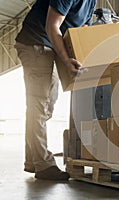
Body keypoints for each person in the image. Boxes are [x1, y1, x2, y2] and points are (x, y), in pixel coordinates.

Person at [14, 0, 96, 181]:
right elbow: (52, 25)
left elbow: (81, 32)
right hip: (36, 40)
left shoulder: (91, 2)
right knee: (39, 104)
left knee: (48, 105)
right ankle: (44, 165)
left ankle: (33, 161)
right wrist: (67, 61)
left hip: (52, 46)